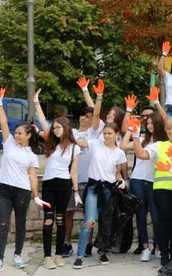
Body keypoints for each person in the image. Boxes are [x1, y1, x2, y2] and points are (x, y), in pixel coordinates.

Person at [131, 116, 172, 266]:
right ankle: (164, 253)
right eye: (169, 128)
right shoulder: (159, 145)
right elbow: (141, 154)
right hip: (161, 190)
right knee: (162, 222)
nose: (171, 131)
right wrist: (135, 135)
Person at [0, 88, 49, 271]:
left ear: (28, 135)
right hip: (4, 189)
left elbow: (33, 177)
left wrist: (36, 196)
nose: (16, 135)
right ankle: (0, 258)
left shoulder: (32, 155)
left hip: (22, 191)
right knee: (3, 224)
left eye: (20, 133)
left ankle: (18, 255)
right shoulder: (9, 143)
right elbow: (3, 122)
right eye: (16, 132)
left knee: (20, 223)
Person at [71, 122, 128, 269]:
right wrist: (66, 135)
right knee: (89, 221)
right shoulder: (95, 144)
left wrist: (121, 181)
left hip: (109, 189)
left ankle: (103, 251)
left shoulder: (119, 153)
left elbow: (117, 172)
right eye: (105, 133)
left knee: (106, 222)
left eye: (110, 133)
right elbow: (77, 141)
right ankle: (80, 255)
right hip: (93, 187)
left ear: (116, 135)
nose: (106, 136)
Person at [37, 107, 81, 269]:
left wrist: (76, 192)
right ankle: (47, 256)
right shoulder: (51, 143)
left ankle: (58, 254)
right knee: (48, 220)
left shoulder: (75, 148)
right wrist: (36, 103)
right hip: (48, 185)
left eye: (58, 127)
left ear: (66, 127)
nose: (55, 130)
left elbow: (74, 172)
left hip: (64, 185)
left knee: (61, 220)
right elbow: (42, 121)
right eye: (54, 128)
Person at [121, 112, 167, 262]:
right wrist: (131, 130)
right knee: (140, 216)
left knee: (156, 217)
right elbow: (123, 146)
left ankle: (159, 247)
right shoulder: (141, 139)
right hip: (137, 180)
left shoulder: (163, 143)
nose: (149, 126)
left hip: (154, 181)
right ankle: (145, 248)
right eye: (147, 123)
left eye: (152, 123)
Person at [64, 106, 97, 258]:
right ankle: (66, 243)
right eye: (82, 115)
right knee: (68, 213)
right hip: (72, 180)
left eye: (88, 116)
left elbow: (97, 114)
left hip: (89, 180)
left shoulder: (95, 134)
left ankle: (88, 244)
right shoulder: (72, 133)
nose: (84, 118)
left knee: (88, 215)